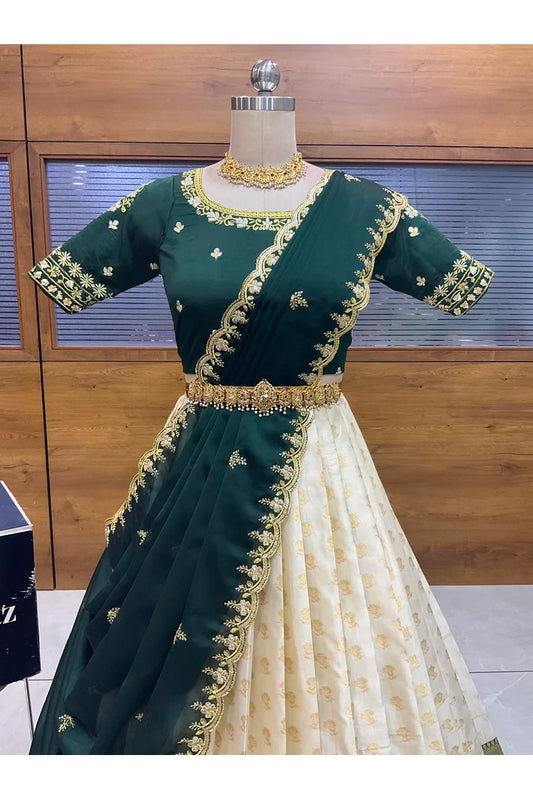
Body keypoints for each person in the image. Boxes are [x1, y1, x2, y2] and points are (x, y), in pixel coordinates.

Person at [26, 75, 502, 755]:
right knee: (164, 616)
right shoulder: (165, 204)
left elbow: (460, 285)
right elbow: (70, 278)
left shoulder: (367, 210)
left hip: (320, 455)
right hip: (200, 454)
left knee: (338, 610)